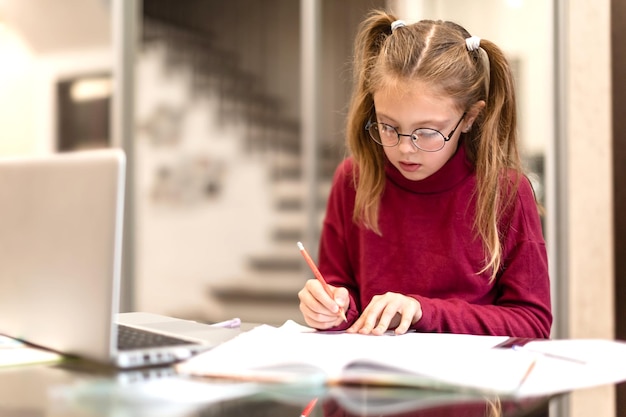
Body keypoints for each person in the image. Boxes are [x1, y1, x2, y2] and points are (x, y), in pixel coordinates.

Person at [297, 10, 552, 338]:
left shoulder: (506, 192)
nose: (405, 148)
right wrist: (332, 307)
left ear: (471, 118)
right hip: (372, 383)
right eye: (388, 126)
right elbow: (342, 296)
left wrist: (422, 311)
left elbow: (532, 323)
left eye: (428, 132)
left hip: (472, 386)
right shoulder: (353, 181)